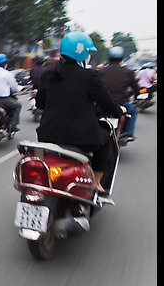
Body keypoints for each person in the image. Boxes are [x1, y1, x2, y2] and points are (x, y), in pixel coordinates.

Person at [36, 31, 123, 193]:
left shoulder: (49, 74)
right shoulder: (89, 76)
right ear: (82, 53)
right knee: (107, 136)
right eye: (88, 52)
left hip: (47, 135)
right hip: (81, 139)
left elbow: (40, 103)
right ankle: (97, 182)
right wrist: (119, 111)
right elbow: (108, 104)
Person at [98, 46, 140, 141]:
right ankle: (129, 133)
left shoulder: (102, 71)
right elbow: (135, 88)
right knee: (133, 110)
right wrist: (136, 96)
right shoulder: (127, 72)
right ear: (121, 59)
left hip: (104, 102)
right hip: (121, 102)